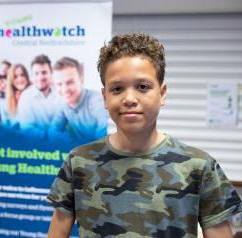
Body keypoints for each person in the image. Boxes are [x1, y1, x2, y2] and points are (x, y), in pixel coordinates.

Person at [46, 32, 242, 238]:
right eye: (117, 89)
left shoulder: (200, 167)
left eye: (142, 87)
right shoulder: (78, 162)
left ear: (162, 93)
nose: (129, 98)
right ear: (104, 97)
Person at [48, 57, 108, 144]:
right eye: (59, 84)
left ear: (81, 80)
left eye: (70, 82)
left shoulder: (97, 101)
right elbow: (52, 133)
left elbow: (104, 135)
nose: (64, 89)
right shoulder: (63, 106)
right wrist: (72, 143)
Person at [17, 54, 60, 139]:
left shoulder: (60, 93)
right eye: (36, 73)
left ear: (51, 73)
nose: (40, 77)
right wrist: (49, 136)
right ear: (32, 76)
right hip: (36, 148)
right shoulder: (26, 97)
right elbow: (27, 130)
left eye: (44, 72)